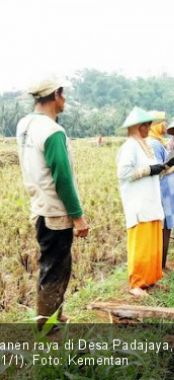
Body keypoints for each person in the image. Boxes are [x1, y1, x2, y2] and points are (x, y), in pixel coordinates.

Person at [16, 77, 90, 327]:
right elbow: (63, 178)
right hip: (55, 209)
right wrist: (78, 216)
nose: (65, 99)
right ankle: (48, 325)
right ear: (55, 95)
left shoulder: (25, 125)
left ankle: (54, 314)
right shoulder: (53, 131)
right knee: (56, 266)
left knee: (52, 261)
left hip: (38, 204)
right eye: (64, 94)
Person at [116, 107, 165, 297]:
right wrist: (149, 170)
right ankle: (136, 284)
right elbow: (124, 173)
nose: (148, 128)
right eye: (146, 125)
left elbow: (149, 169)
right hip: (138, 203)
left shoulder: (145, 145)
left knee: (152, 244)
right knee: (141, 245)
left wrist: (161, 169)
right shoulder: (130, 146)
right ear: (137, 126)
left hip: (150, 201)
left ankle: (150, 280)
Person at [147, 111, 174, 270]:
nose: (165, 126)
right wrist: (173, 166)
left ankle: (162, 263)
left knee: (167, 227)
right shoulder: (154, 144)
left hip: (167, 191)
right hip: (163, 193)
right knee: (164, 228)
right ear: (156, 124)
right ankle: (160, 265)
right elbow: (158, 170)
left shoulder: (158, 142)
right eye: (163, 122)